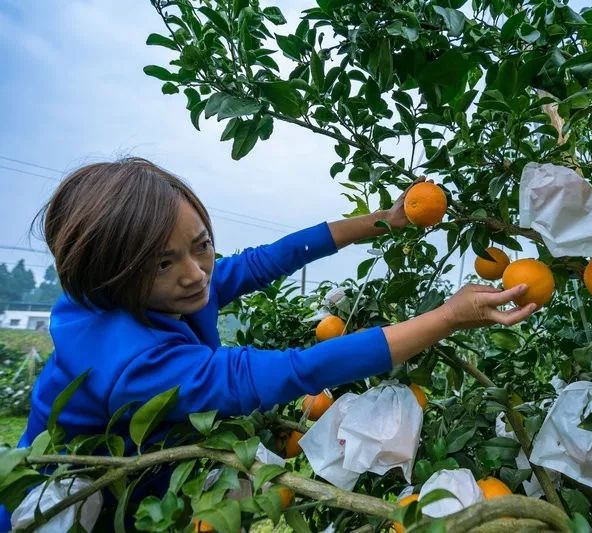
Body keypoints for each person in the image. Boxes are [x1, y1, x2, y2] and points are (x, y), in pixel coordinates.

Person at [0, 157, 536, 530]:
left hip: (146, 471)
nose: (196, 274)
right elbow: (295, 371)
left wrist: (386, 220)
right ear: (111, 273)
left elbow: (265, 260)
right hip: (69, 502)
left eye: (201, 245)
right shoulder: (131, 361)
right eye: (163, 263)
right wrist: (445, 319)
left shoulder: (172, 288)